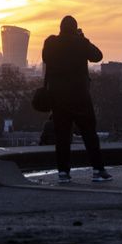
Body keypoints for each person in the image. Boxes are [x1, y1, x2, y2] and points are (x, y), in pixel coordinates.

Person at [41, 16, 111, 183]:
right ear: (75, 28)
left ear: (60, 28)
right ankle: (98, 170)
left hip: (58, 97)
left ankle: (63, 173)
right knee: (89, 134)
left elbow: (45, 58)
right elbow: (97, 56)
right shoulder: (80, 43)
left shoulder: (51, 43)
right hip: (80, 96)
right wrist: (82, 38)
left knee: (62, 136)